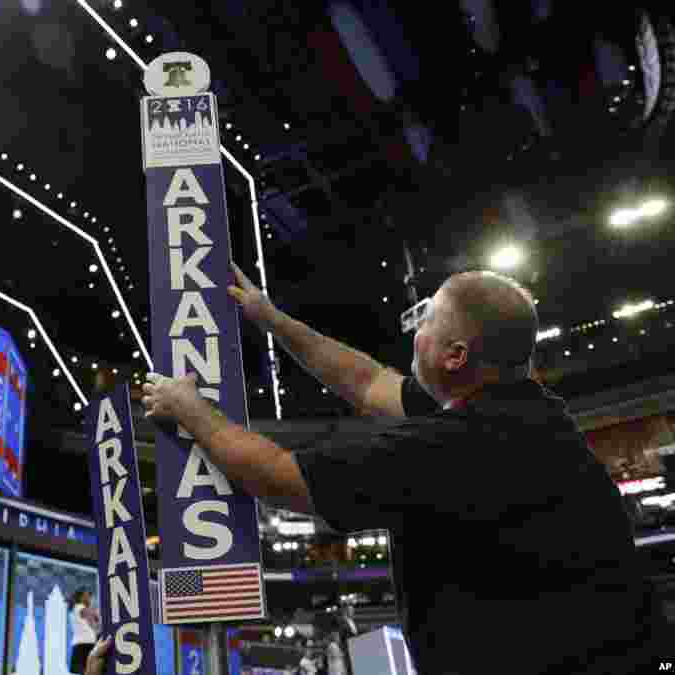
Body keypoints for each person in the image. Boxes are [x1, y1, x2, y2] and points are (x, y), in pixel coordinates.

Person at [139, 264, 657, 674]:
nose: (415, 330)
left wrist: (189, 408)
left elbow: (276, 476)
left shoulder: (455, 448)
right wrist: (269, 317)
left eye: (427, 321)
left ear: (455, 356)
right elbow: (366, 382)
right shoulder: (525, 412)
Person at [69, 589, 100, 674]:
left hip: (84, 644)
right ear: (82, 597)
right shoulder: (79, 607)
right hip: (84, 644)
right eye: (88, 596)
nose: (90, 598)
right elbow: (92, 617)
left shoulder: (76, 608)